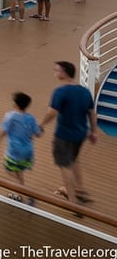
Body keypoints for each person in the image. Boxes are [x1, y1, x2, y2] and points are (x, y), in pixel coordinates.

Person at [40, 61, 98, 207]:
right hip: (80, 134)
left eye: (57, 70)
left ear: (64, 72)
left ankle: (72, 200)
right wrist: (93, 132)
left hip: (64, 135)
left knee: (65, 165)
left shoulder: (61, 91)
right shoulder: (84, 91)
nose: (55, 72)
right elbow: (91, 113)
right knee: (74, 160)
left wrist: (41, 124)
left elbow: (52, 112)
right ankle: (80, 189)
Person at [0, 91, 41, 204]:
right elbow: (38, 133)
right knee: (19, 172)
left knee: (9, 170)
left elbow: (3, 130)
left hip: (14, 152)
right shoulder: (31, 118)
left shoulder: (10, 116)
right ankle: (20, 193)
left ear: (15, 104)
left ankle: (23, 191)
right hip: (28, 152)